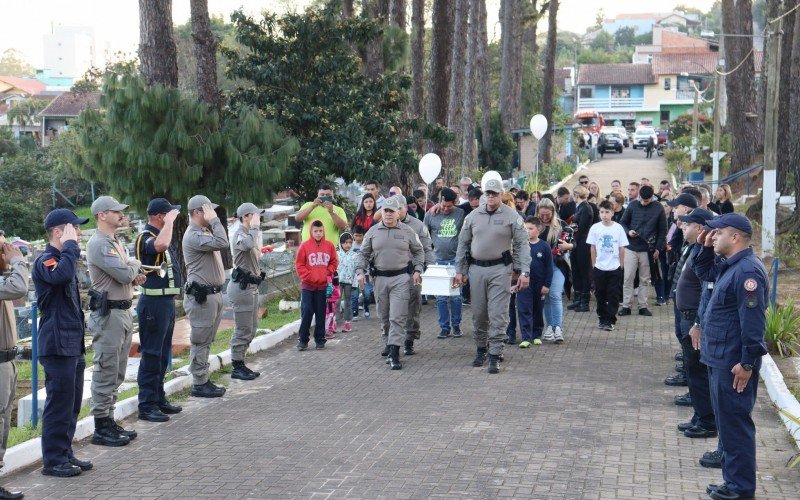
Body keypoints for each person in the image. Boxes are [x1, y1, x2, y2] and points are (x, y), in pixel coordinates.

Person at [694, 214, 768, 500]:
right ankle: (732, 482)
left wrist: (747, 362)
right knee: (727, 425)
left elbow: (753, 324)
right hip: (719, 359)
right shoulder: (731, 265)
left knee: (736, 427)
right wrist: (703, 246)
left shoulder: (747, 272)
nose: (713, 237)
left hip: (733, 363)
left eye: (718, 233)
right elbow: (703, 274)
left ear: (734, 237)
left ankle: (741, 490)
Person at [32, 210, 92, 479]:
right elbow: (61, 277)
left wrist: (69, 249)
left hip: (72, 340)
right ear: (59, 232)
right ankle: (53, 460)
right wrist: (70, 248)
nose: (78, 235)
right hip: (57, 342)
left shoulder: (63, 258)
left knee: (72, 402)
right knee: (59, 403)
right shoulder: (46, 260)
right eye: (74, 230)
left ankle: (64, 452)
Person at [455, 178, 530, 374]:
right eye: (487, 193)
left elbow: (523, 244)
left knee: (498, 314)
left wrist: (524, 271)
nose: (490, 197)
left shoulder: (512, 216)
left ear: (501, 195)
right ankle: (481, 348)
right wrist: (460, 270)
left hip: (500, 270)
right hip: (476, 270)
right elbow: (463, 244)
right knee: (479, 313)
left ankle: (495, 354)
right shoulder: (472, 216)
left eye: (494, 194)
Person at [86, 196, 144, 446]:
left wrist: (131, 274)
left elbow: (125, 275)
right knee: (106, 369)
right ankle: (101, 425)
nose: (121, 215)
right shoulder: (99, 244)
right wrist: (133, 264)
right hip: (109, 314)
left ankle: (109, 419)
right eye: (115, 212)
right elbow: (122, 271)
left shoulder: (114, 242)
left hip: (122, 309)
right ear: (101, 215)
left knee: (118, 371)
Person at [355, 196, 424, 370]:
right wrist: (360, 272)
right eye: (385, 211)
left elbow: (418, 252)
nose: (388, 215)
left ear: (398, 214)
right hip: (380, 279)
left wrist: (417, 270)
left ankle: (395, 352)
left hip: (401, 279)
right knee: (384, 316)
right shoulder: (373, 232)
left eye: (391, 211)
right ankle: (388, 342)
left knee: (397, 316)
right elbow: (363, 254)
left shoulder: (408, 231)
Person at [134, 198, 183, 423]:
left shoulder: (160, 235)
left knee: (162, 355)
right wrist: (170, 222)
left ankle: (159, 397)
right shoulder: (146, 237)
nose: (174, 217)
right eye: (170, 214)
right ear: (160, 216)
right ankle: (147, 404)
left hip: (165, 303)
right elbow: (160, 247)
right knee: (152, 355)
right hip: (153, 304)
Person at [672, 208, 718, 440]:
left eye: (687, 224)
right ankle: (700, 415)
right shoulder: (697, 249)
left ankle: (707, 420)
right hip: (687, 316)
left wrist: (698, 321)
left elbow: (706, 290)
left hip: (693, 318)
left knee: (698, 371)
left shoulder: (708, 254)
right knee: (692, 370)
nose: (682, 226)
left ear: (700, 227)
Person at [183, 195, 229, 398]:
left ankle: (203, 379)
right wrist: (215, 221)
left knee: (207, 340)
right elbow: (222, 242)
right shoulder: (194, 234)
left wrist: (211, 222)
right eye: (208, 210)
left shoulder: (203, 231)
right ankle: (199, 383)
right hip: (202, 297)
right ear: (196, 213)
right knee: (200, 340)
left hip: (213, 295)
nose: (213, 214)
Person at [1, 238, 29, 493]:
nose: (7, 253)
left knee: (3, 421)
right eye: (2, 249)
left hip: (7, 360)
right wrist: (17, 260)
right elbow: (19, 287)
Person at [227, 202, 267, 382]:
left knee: (252, 328)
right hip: (241, 288)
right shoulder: (240, 234)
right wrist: (255, 228)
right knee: (243, 328)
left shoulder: (249, 234)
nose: (258, 219)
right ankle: (237, 365)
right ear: (245, 217)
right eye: (255, 216)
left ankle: (241, 362)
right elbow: (247, 245)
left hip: (252, 286)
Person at [393, 195, 434, 355]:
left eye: (399, 208)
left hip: (412, 272)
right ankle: (391, 341)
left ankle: (409, 339)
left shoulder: (417, 225)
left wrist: (430, 269)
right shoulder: (385, 224)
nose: (395, 212)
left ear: (405, 207)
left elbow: (427, 248)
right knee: (391, 310)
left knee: (412, 307)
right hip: (391, 273)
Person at [619, 185, 667, 317]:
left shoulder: (658, 208)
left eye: (646, 200)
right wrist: (628, 232)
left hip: (648, 249)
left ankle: (643, 306)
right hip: (631, 247)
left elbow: (663, 230)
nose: (643, 202)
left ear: (652, 197)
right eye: (642, 199)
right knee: (628, 277)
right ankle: (626, 306)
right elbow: (622, 223)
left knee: (645, 279)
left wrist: (658, 248)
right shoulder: (633, 205)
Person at [424, 188, 466, 339]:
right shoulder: (431, 214)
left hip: (456, 260)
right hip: (438, 261)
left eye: (449, 206)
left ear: (455, 203)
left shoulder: (461, 213)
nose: (446, 209)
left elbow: (474, 205)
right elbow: (424, 235)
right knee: (441, 297)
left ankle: (456, 325)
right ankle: (444, 327)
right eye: (443, 205)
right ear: (440, 201)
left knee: (455, 296)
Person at [295, 220, 338, 350]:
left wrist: (327, 272)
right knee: (307, 311)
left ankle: (320, 339)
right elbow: (299, 265)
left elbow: (334, 261)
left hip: (322, 286)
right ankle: (303, 340)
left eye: (320, 231)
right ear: (311, 232)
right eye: (315, 231)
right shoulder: (304, 246)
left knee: (320, 312)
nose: (318, 234)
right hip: (308, 286)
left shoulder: (329, 246)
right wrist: (309, 276)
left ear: (323, 231)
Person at [587, 200, 628, 331]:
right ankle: (602, 318)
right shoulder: (595, 228)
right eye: (602, 212)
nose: (604, 215)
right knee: (600, 294)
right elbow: (593, 248)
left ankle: (611, 319)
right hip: (599, 267)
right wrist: (593, 264)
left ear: (613, 212)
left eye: (607, 212)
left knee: (613, 294)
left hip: (614, 267)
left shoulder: (618, 228)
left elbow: (622, 248)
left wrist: (621, 264)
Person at [536, 199, 573, 343]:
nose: (545, 218)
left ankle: (558, 327)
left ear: (553, 212)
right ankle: (549, 327)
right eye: (542, 214)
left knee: (555, 295)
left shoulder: (561, 224)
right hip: (540, 267)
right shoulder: (534, 224)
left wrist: (567, 246)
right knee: (545, 297)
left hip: (557, 265)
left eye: (548, 215)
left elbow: (572, 243)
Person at [517, 217, 552, 348]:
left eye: (530, 229)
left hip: (539, 284)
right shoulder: (520, 245)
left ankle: (536, 335)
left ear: (539, 229)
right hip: (524, 284)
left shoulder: (544, 246)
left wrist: (547, 285)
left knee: (538, 309)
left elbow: (549, 268)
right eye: (525, 229)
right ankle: (526, 337)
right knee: (524, 309)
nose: (527, 231)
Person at [567, 186, 595, 313]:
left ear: (576, 195)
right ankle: (577, 299)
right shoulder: (579, 207)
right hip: (576, 242)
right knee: (576, 271)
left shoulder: (586, 208)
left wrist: (574, 229)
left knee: (584, 271)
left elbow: (582, 228)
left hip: (583, 243)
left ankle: (584, 301)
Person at [350, 227, 373, 321]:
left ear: (364, 236)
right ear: (353, 236)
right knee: (354, 295)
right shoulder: (349, 245)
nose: (358, 238)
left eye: (360, 236)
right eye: (356, 236)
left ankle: (366, 307)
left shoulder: (366, 245)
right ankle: (354, 312)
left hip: (366, 273)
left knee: (367, 293)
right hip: (353, 275)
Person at [337, 232, 356, 333]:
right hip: (338, 282)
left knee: (348, 302)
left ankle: (347, 322)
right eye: (345, 243)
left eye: (350, 242)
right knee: (337, 302)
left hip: (349, 282)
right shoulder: (336, 255)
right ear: (340, 243)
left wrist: (355, 283)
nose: (348, 245)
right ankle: (334, 322)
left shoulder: (354, 255)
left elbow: (357, 270)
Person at [324, 273, 341, 338]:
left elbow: (336, 285)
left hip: (332, 297)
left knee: (332, 314)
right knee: (329, 314)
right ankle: (326, 330)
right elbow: (330, 288)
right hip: (329, 299)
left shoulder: (334, 273)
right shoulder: (327, 275)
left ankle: (331, 327)